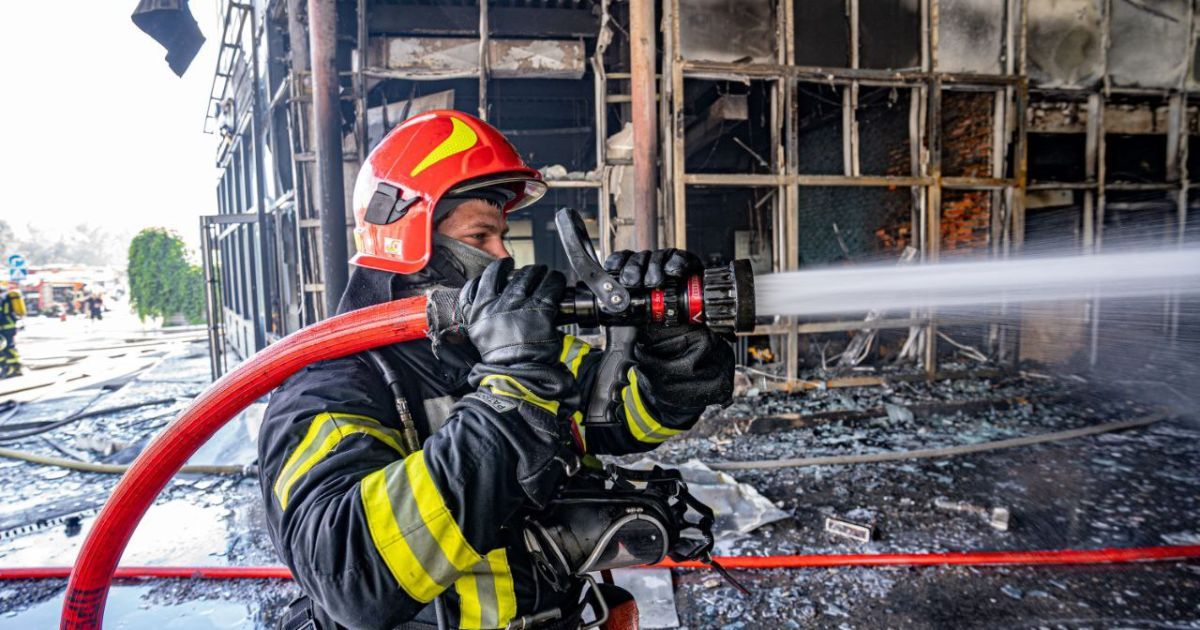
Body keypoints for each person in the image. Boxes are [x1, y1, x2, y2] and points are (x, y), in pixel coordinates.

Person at [258, 110, 734, 630]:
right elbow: (351, 578)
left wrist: (669, 350)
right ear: (412, 242)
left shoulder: (499, 351)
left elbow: (624, 419)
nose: (502, 255)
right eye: (482, 237)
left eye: (501, 236)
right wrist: (513, 391)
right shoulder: (328, 389)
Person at [0, 285, 26, 378]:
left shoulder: (2, 299)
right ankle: (7, 367)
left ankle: (14, 368)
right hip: (7, 326)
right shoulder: (5, 298)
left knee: (7, 347)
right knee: (4, 348)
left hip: (5, 327)